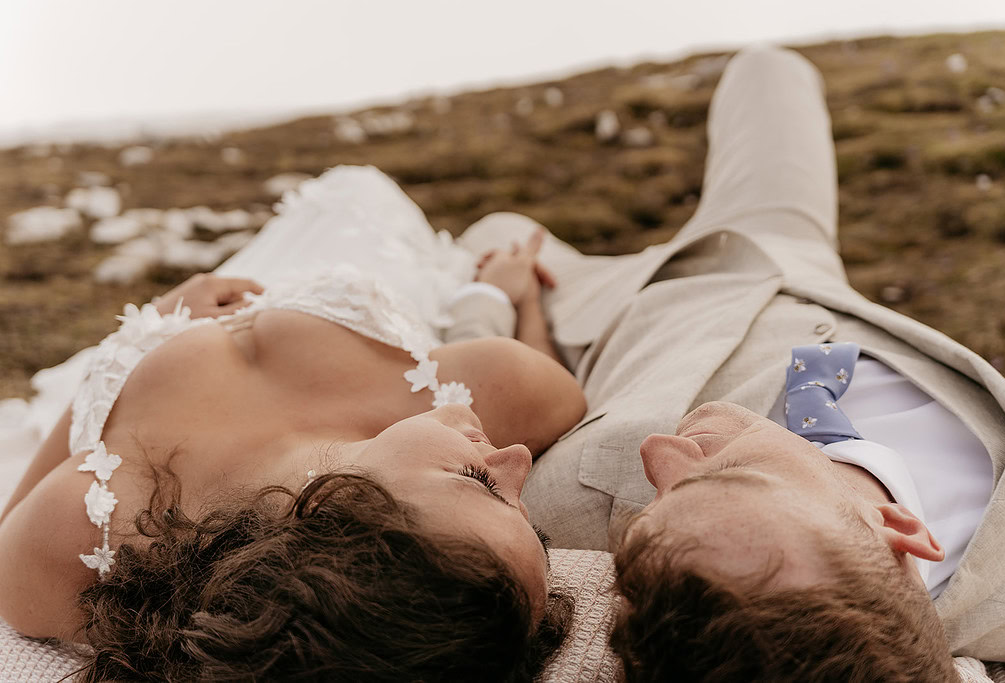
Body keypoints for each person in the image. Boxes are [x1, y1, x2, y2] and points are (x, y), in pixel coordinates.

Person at [447, 45, 1005, 680]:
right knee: (769, 67)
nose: (659, 452)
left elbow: (500, 391)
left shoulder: (562, 511)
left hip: (608, 311)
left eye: (647, 514)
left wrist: (506, 298)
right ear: (897, 527)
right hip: (786, 251)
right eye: (735, 477)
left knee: (492, 230)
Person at [0, 166, 584, 681]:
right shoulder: (508, 385)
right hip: (363, 238)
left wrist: (145, 327)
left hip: (232, 282)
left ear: (341, 516)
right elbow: (533, 363)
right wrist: (513, 296)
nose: (516, 459)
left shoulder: (85, 532)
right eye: (528, 514)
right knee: (357, 186)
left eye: (480, 482)